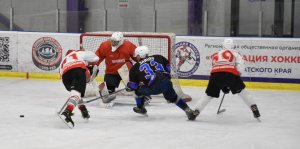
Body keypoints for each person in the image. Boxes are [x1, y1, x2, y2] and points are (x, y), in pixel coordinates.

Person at [126, 46, 199, 120]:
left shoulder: (134, 68)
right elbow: (168, 67)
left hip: (152, 89)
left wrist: (129, 86)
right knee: (174, 98)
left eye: (137, 56)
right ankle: (188, 110)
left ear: (139, 55)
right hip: (166, 83)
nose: (137, 57)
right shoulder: (159, 57)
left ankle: (140, 108)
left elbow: (134, 86)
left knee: (137, 92)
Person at [194, 38, 261, 120]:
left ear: (222, 45)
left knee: (208, 95)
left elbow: (211, 68)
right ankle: (254, 108)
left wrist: (222, 85)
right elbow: (240, 66)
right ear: (233, 45)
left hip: (215, 75)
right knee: (243, 93)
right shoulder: (236, 53)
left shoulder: (216, 54)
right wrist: (234, 78)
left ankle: (196, 111)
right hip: (231, 74)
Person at [59, 49, 99, 128]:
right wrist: (88, 64)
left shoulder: (63, 61)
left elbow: (61, 74)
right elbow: (96, 58)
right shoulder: (78, 53)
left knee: (76, 94)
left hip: (65, 77)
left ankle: (83, 109)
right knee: (77, 93)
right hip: (78, 70)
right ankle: (67, 112)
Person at [95, 32, 138, 103]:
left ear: (121, 41)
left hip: (125, 70)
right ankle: (108, 92)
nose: (113, 43)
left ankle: (141, 94)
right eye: (112, 41)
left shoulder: (129, 45)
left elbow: (137, 57)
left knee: (133, 87)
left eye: (115, 42)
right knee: (109, 90)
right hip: (111, 72)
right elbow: (97, 57)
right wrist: (94, 65)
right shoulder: (105, 46)